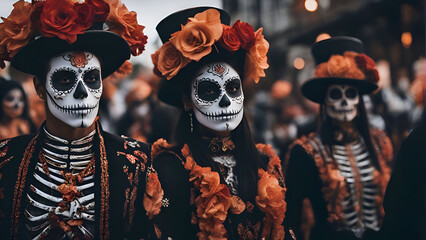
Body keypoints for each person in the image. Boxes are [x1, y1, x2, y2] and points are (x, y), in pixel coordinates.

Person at [0, 0, 157, 239]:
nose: (82, 92)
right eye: (64, 80)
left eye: (92, 78)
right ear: (40, 88)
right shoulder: (6, 161)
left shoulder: (138, 163)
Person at [148, 7, 289, 239]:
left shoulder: (265, 164)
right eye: (209, 90)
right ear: (187, 101)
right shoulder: (171, 167)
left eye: (233, 88)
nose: (225, 102)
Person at [284, 37, 393, 240]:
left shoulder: (380, 141)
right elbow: (294, 217)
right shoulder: (305, 151)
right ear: (325, 100)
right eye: (335, 94)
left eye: (350, 94)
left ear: (359, 100)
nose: (344, 102)